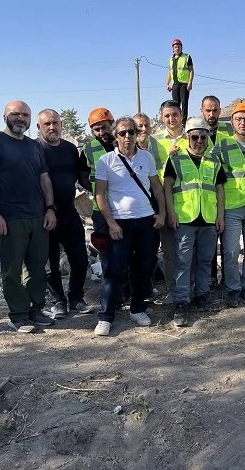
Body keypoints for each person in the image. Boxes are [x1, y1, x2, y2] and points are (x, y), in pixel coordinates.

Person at [0, 101, 57, 333]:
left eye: (25, 114)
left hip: (38, 216)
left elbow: (44, 179)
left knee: (38, 268)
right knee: (12, 270)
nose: (20, 118)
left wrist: (50, 208)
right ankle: (18, 315)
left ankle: (36, 309)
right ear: (4, 117)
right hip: (9, 218)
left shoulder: (34, 146)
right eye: (15, 114)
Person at [93, 116, 166, 336]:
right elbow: (99, 194)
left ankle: (138, 308)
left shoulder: (147, 157)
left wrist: (161, 214)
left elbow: (157, 187)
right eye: (122, 133)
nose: (127, 137)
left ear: (137, 134)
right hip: (120, 224)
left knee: (144, 267)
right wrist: (111, 223)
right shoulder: (105, 161)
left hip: (146, 221)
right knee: (114, 270)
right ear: (115, 136)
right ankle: (105, 316)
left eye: (131, 132)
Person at [163, 118, 226, 326]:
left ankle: (202, 295)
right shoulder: (176, 160)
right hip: (185, 219)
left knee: (206, 261)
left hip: (208, 219)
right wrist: (171, 214)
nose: (199, 141)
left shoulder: (214, 162)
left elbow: (219, 190)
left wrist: (220, 216)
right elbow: (167, 188)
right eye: (195, 136)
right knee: (183, 262)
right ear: (187, 138)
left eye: (203, 137)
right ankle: (182, 301)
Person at [35, 109, 91, 318]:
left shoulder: (70, 149)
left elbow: (81, 177)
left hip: (69, 211)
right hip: (45, 215)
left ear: (61, 125)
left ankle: (76, 298)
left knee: (80, 259)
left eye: (55, 123)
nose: (52, 127)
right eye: (47, 123)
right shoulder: (34, 149)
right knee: (51, 264)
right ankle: (59, 301)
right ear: (38, 127)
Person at [214, 102, 245, 308]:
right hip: (232, 206)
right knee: (231, 252)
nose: (243, 122)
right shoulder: (222, 145)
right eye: (238, 119)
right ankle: (233, 289)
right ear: (232, 122)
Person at [78, 107, 124, 307]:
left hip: (126, 208)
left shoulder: (126, 142)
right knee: (106, 251)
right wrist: (97, 190)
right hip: (101, 211)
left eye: (104, 127)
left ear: (112, 124)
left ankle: (129, 290)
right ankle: (112, 294)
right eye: (96, 130)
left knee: (127, 251)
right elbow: (81, 175)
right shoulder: (88, 149)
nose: (101, 132)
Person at [150, 100, 185, 303]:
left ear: (181, 115)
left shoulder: (193, 135)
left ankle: (192, 288)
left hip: (190, 203)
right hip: (164, 201)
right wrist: (168, 161)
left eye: (175, 114)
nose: (171, 119)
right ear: (162, 118)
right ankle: (174, 290)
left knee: (190, 251)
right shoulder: (155, 141)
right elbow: (151, 174)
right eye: (167, 116)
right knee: (170, 251)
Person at [200, 95, 233, 286]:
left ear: (220, 111)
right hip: (205, 197)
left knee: (228, 245)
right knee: (209, 245)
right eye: (208, 110)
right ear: (202, 111)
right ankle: (211, 279)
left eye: (215, 110)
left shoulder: (227, 133)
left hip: (228, 195)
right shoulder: (195, 132)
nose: (211, 114)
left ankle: (228, 279)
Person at [165, 38, 194, 125]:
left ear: (181, 47)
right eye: (175, 47)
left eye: (179, 46)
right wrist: (167, 83)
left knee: (184, 103)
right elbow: (170, 72)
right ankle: (176, 121)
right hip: (175, 84)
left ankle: (183, 122)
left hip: (184, 83)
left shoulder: (187, 57)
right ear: (173, 49)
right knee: (175, 104)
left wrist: (190, 82)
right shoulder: (170, 59)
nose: (177, 48)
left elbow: (191, 70)